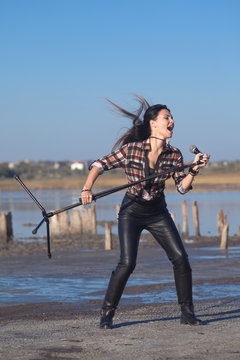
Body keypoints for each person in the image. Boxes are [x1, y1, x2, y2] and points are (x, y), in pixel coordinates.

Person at [81, 95, 210, 329]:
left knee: (181, 258)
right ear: (153, 123)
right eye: (166, 117)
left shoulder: (175, 155)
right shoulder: (131, 150)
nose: (172, 121)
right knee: (127, 263)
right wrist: (87, 188)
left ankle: (187, 313)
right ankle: (107, 314)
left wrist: (195, 169)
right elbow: (99, 165)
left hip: (158, 212)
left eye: (172, 117)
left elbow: (182, 188)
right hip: (131, 211)